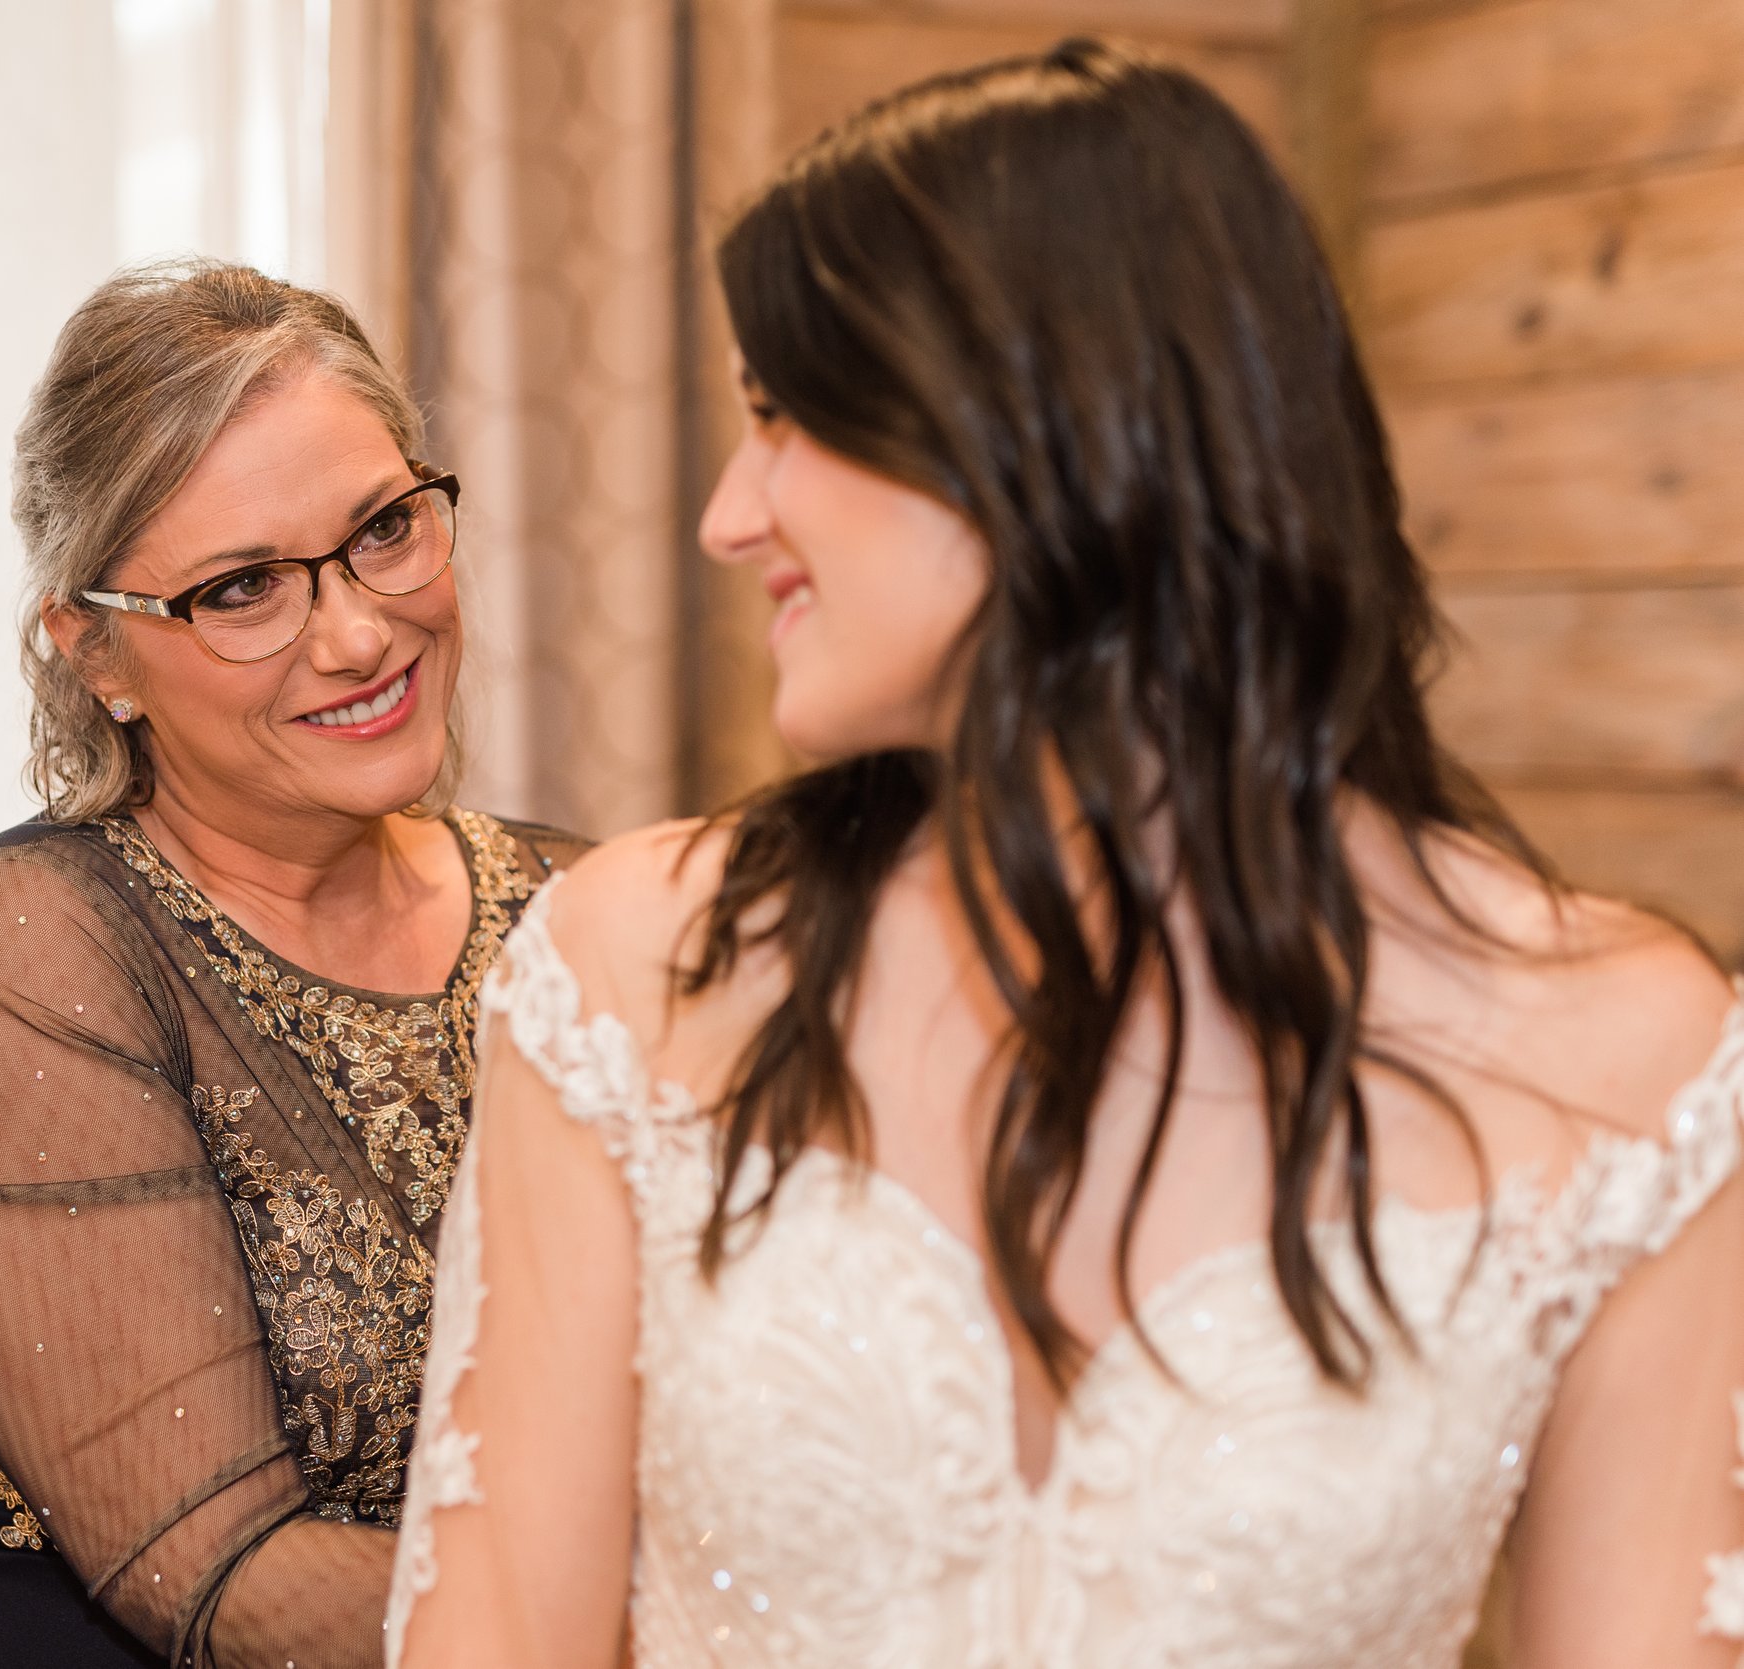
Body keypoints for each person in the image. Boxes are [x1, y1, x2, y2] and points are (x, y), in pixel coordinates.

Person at [386, 40, 1744, 1669]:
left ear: (1030, 425)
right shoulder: (633, 973)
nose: (728, 517)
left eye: (780, 419)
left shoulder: (1626, 1062)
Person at [0, 260, 586, 1669]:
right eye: (243, 588)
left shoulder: (585, 908)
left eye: (384, 531)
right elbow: (224, 1578)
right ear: (98, 652)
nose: (362, 631)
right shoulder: (30, 953)